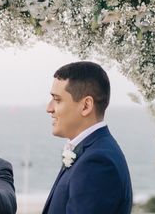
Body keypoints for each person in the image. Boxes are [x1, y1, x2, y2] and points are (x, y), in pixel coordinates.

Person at [42, 61, 132, 214]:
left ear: (86, 106)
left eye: (57, 100)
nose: (49, 108)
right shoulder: (94, 151)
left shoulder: (97, 162)